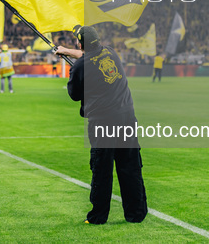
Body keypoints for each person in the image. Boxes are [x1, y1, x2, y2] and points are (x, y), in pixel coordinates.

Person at [55, 26, 147, 225]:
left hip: (104, 122)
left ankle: (98, 216)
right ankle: (136, 213)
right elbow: (90, 56)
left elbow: (74, 95)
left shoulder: (80, 67)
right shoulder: (110, 52)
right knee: (130, 166)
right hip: (127, 117)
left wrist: (74, 66)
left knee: (102, 168)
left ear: (80, 43)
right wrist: (67, 52)